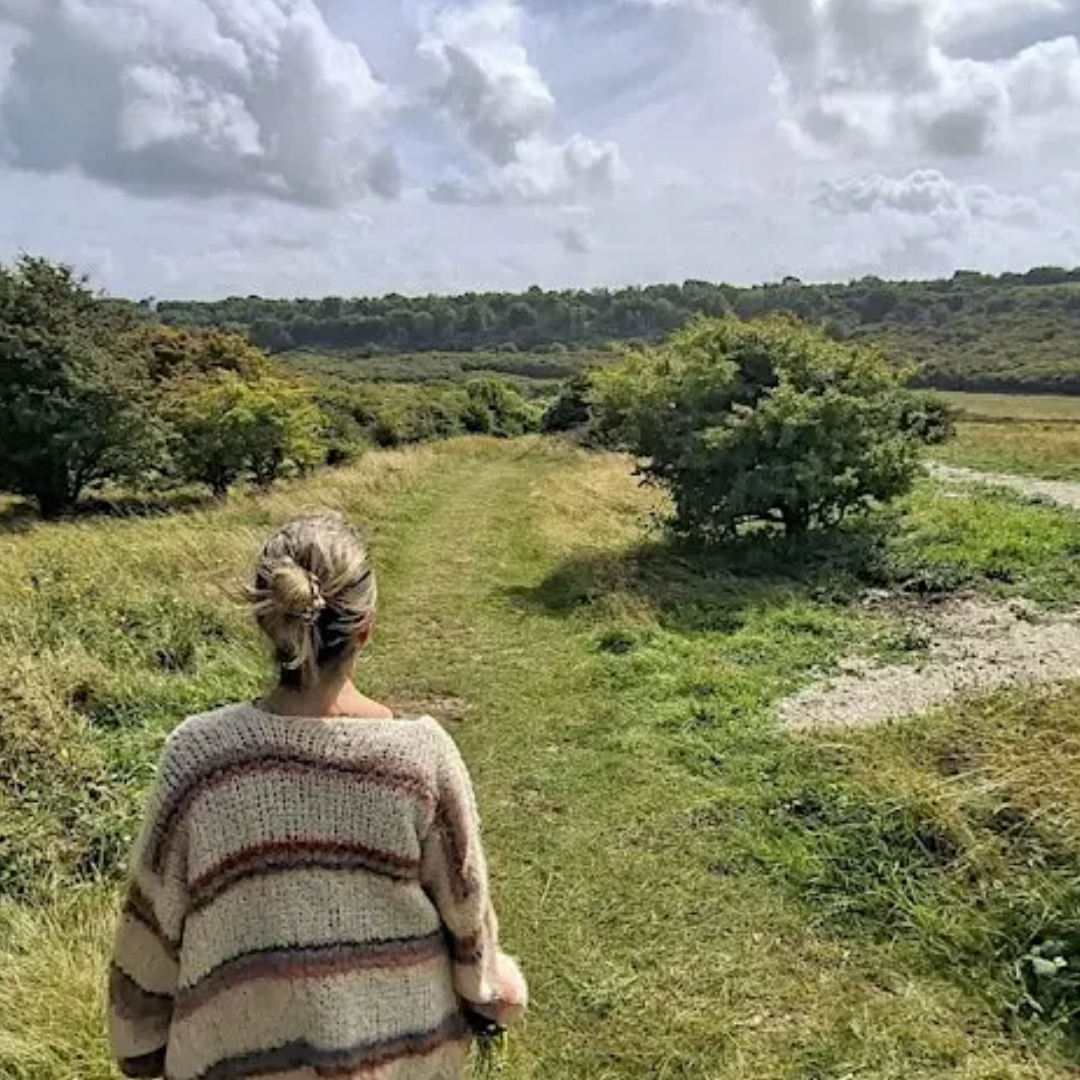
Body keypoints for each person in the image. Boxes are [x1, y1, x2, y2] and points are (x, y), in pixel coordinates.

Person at [108, 511, 527, 1080]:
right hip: (400, 1060)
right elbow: (468, 923)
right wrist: (491, 995)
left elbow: (152, 929)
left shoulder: (198, 758)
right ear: (366, 628)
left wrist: (138, 1046)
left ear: (266, 623)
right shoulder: (423, 758)